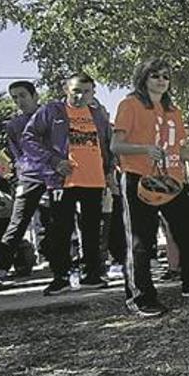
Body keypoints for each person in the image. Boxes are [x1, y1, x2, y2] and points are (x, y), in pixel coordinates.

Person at [111, 58, 189, 317]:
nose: (161, 80)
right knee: (141, 240)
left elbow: (179, 150)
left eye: (165, 76)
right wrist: (144, 149)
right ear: (143, 78)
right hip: (140, 179)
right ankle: (140, 297)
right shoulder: (130, 105)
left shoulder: (173, 110)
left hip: (172, 181)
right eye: (155, 76)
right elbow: (116, 146)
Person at [20, 73, 115, 295]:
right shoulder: (52, 111)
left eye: (86, 91)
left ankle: (92, 273)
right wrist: (54, 162)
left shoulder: (98, 114)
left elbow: (108, 144)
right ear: (66, 89)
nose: (81, 96)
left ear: (93, 93)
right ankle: (60, 276)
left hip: (94, 180)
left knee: (92, 229)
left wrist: (109, 172)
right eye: (76, 91)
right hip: (62, 181)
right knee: (60, 230)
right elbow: (29, 138)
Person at [0, 81, 46, 290]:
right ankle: (1, 270)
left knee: (58, 222)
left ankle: (66, 267)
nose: (19, 101)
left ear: (35, 96)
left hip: (55, 175)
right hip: (29, 177)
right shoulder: (13, 125)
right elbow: (16, 154)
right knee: (17, 221)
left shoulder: (50, 116)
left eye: (23, 95)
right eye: (14, 98)